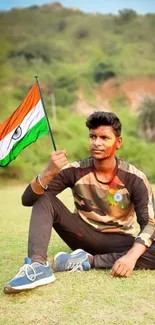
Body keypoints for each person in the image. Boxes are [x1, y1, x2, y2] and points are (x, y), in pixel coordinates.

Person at [4, 111, 155, 294]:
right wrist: (47, 173)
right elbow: (28, 200)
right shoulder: (74, 171)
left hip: (119, 241)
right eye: (93, 136)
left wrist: (131, 257)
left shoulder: (134, 177)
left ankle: (86, 261)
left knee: (146, 247)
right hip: (81, 235)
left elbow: (149, 223)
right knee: (43, 196)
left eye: (104, 138)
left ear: (118, 142)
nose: (97, 143)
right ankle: (37, 265)